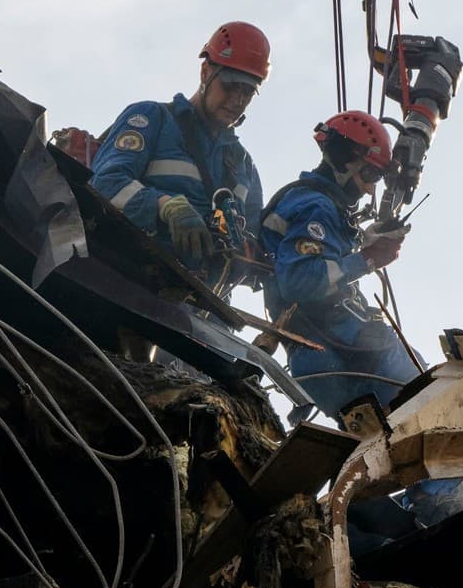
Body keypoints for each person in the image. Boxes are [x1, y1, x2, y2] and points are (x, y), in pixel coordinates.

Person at [258, 111, 417, 414]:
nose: (370, 189)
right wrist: (366, 260)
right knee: (434, 401)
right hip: (352, 346)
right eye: (369, 175)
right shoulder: (317, 206)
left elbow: (313, 264)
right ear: (343, 158)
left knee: (372, 442)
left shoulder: (307, 202)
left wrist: (363, 245)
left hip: (315, 361)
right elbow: (301, 281)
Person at [88, 22, 268, 277]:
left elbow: (249, 244)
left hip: (198, 306)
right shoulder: (152, 118)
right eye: (230, 86)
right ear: (206, 72)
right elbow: (104, 182)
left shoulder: (244, 166)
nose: (237, 101)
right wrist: (164, 205)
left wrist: (247, 255)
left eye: (248, 92)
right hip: (128, 276)